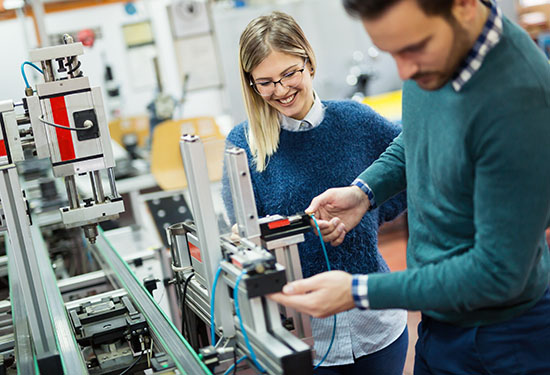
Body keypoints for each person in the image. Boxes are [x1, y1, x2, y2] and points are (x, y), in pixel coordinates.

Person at [270, 0, 550, 374]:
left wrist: (358, 292)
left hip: (503, 339)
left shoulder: (520, 102)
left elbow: (497, 273)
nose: (404, 70)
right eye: (392, 53)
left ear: (464, 6)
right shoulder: (436, 56)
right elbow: (416, 135)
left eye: (411, 49)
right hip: (439, 322)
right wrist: (364, 192)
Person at [221, 11, 409, 375]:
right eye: (265, 82)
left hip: (377, 324)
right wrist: (298, 233)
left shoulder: (357, 120)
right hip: (303, 336)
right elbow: (247, 236)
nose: (280, 89)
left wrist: (365, 213)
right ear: (251, 84)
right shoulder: (243, 146)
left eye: (289, 73)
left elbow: (404, 173)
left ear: (308, 62)